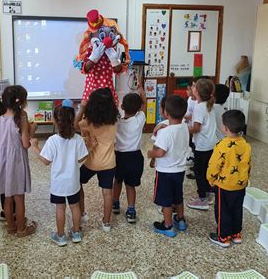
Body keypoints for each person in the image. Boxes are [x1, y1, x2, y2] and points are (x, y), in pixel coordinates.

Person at [31, 100, 89, 246]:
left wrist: (35, 147)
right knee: (75, 206)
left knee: (60, 208)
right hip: (73, 182)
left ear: (56, 121)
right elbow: (82, 158)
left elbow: (45, 161)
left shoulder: (52, 140)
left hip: (58, 184)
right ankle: (76, 233)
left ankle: (61, 236)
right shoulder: (77, 139)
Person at [0, 85, 37, 237]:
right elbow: (25, 144)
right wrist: (32, 132)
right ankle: (22, 229)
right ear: (21, 101)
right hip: (17, 162)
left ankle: (11, 227)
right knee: (19, 198)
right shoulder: (21, 116)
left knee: (7, 198)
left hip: (3, 162)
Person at [74, 87, 119, 233]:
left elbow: (75, 124)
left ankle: (82, 213)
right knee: (107, 193)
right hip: (109, 163)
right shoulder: (114, 120)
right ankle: (106, 223)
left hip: (91, 163)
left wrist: (82, 108)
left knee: (77, 182)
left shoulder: (89, 122)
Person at [147, 95, 190, 237]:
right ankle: (181, 220)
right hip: (179, 170)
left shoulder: (165, 132)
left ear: (166, 113)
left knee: (166, 200)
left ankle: (167, 226)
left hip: (165, 172)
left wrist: (149, 153)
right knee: (178, 196)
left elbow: (160, 153)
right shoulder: (184, 127)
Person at [207, 110, 251, 247]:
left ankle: (223, 237)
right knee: (237, 209)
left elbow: (215, 164)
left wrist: (211, 178)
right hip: (240, 185)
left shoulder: (222, 145)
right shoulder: (245, 145)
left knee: (222, 211)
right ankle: (236, 234)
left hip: (224, 185)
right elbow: (248, 164)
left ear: (225, 128)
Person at [112, 83, 146, 223]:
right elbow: (144, 103)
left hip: (119, 156)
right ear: (138, 109)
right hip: (135, 157)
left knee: (118, 180)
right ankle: (131, 210)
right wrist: (140, 90)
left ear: (122, 107)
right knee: (130, 185)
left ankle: (115, 203)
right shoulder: (140, 119)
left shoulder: (117, 122)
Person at [187, 78, 218, 211]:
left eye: (194, 87)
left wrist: (183, 129)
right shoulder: (209, 104)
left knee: (199, 172)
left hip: (202, 145)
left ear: (197, 92)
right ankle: (209, 194)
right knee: (207, 170)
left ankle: (202, 199)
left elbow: (196, 128)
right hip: (211, 143)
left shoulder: (199, 107)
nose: (192, 88)